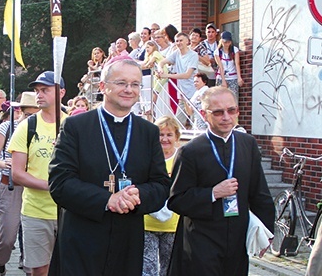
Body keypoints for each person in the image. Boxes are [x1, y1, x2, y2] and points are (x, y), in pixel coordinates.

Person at [48, 59, 170, 276]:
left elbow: (161, 185)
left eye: (135, 84)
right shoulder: (76, 126)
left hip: (127, 241)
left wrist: (136, 195)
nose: (128, 90)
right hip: (82, 239)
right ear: (103, 86)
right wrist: (107, 200)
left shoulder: (148, 132)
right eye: (121, 82)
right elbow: (60, 182)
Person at [167, 87, 274, 276]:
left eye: (231, 110)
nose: (226, 117)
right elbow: (177, 200)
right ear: (204, 114)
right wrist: (212, 193)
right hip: (201, 239)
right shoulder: (190, 151)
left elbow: (260, 192)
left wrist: (267, 233)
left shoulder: (247, 144)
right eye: (218, 112)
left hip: (236, 237)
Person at [8, 71, 67, 276]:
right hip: (36, 211)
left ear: (62, 93)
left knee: (67, 268)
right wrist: (50, 186)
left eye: (45, 90)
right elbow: (17, 173)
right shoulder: (27, 126)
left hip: (69, 212)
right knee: (40, 270)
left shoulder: (73, 126)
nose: (39, 95)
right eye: (37, 91)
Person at [0, 92, 40, 276]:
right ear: (20, 112)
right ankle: (0, 263)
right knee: (8, 236)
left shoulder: (45, 130)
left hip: (35, 188)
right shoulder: (8, 128)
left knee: (32, 235)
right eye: (27, 114)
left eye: (36, 114)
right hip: (10, 185)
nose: (31, 118)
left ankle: (29, 268)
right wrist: (5, 163)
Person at [142, 116, 181, 276]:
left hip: (173, 225)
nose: (164, 139)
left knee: (170, 268)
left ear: (176, 137)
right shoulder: (146, 157)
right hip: (147, 224)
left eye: (169, 134)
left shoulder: (182, 158)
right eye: (160, 134)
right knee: (147, 271)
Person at [214, 31, 243, 100]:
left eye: (228, 42)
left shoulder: (234, 50)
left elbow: (237, 63)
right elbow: (220, 67)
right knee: (221, 99)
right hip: (221, 77)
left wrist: (239, 77)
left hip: (233, 77)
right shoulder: (217, 52)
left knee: (233, 98)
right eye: (225, 42)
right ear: (221, 41)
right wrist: (223, 80)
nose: (227, 44)